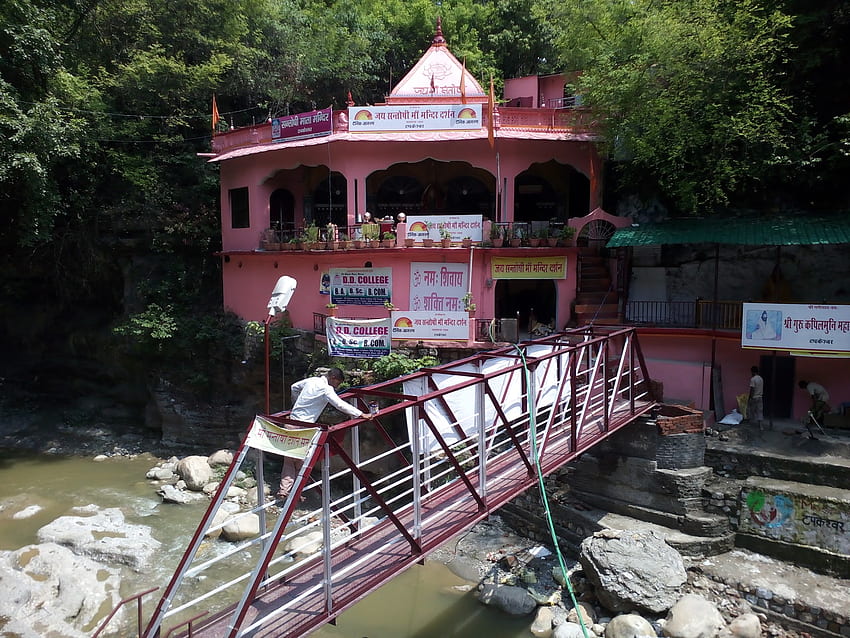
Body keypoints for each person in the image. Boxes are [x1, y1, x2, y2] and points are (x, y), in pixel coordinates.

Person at [277, 368, 372, 501]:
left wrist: (296, 402)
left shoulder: (312, 380)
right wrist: (361, 414)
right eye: (337, 383)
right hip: (305, 427)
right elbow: (340, 404)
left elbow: (294, 387)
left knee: (289, 459)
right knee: (302, 460)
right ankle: (295, 492)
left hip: (292, 422)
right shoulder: (326, 389)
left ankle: (284, 490)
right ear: (333, 378)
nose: (337, 386)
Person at [748, 366, 765, 430]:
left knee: (751, 410)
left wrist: (750, 398)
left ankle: (750, 424)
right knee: (760, 411)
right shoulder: (761, 379)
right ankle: (761, 426)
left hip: (754, 397)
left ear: (752, 372)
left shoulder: (753, 379)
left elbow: (752, 389)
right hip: (760, 397)